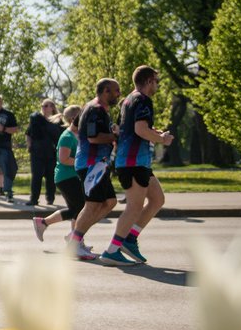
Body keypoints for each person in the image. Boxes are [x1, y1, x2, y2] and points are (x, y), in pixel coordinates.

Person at [97, 66, 174, 266]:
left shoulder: (129, 100)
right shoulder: (143, 100)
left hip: (136, 161)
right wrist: (161, 139)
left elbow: (129, 128)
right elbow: (140, 130)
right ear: (149, 81)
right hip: (133, 162)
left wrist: (155, 132)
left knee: (157, 199)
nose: (157, 85)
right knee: (134, 207)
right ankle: (112, 250)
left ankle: (130, 239)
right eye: (156, 81)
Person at [68, 78, 122, 261]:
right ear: (106, 91)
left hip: (99, 164)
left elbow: (74, 127)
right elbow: (93, 137)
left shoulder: (94, 109)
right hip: (91, 164)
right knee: (92, 205)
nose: (119, 94)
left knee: (110, 201)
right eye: (116, 90)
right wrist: (115, 135)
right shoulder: (95, 110)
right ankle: (74, 243)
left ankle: (76, 236)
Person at [32, 105, 84, 243]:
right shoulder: (67, 136)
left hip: (71, 176)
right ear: (74, 118)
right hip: (66, 177)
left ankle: (43, 223)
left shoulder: (77, 134)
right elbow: (64, 159)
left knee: (75, 209)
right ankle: (74, 239)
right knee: (80, 208)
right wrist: (84, 161)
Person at [25, 99, 62, 206]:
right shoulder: (36, 119)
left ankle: (50, 198)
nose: (43, 107)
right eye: (42, 106)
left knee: (51, 176)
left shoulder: (57, 121)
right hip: (37, 152)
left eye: (46, 106)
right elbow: (28, 133)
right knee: (36, 176)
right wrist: (29, 145)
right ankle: (34, 199)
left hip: (51, 152)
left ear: (52, 108)